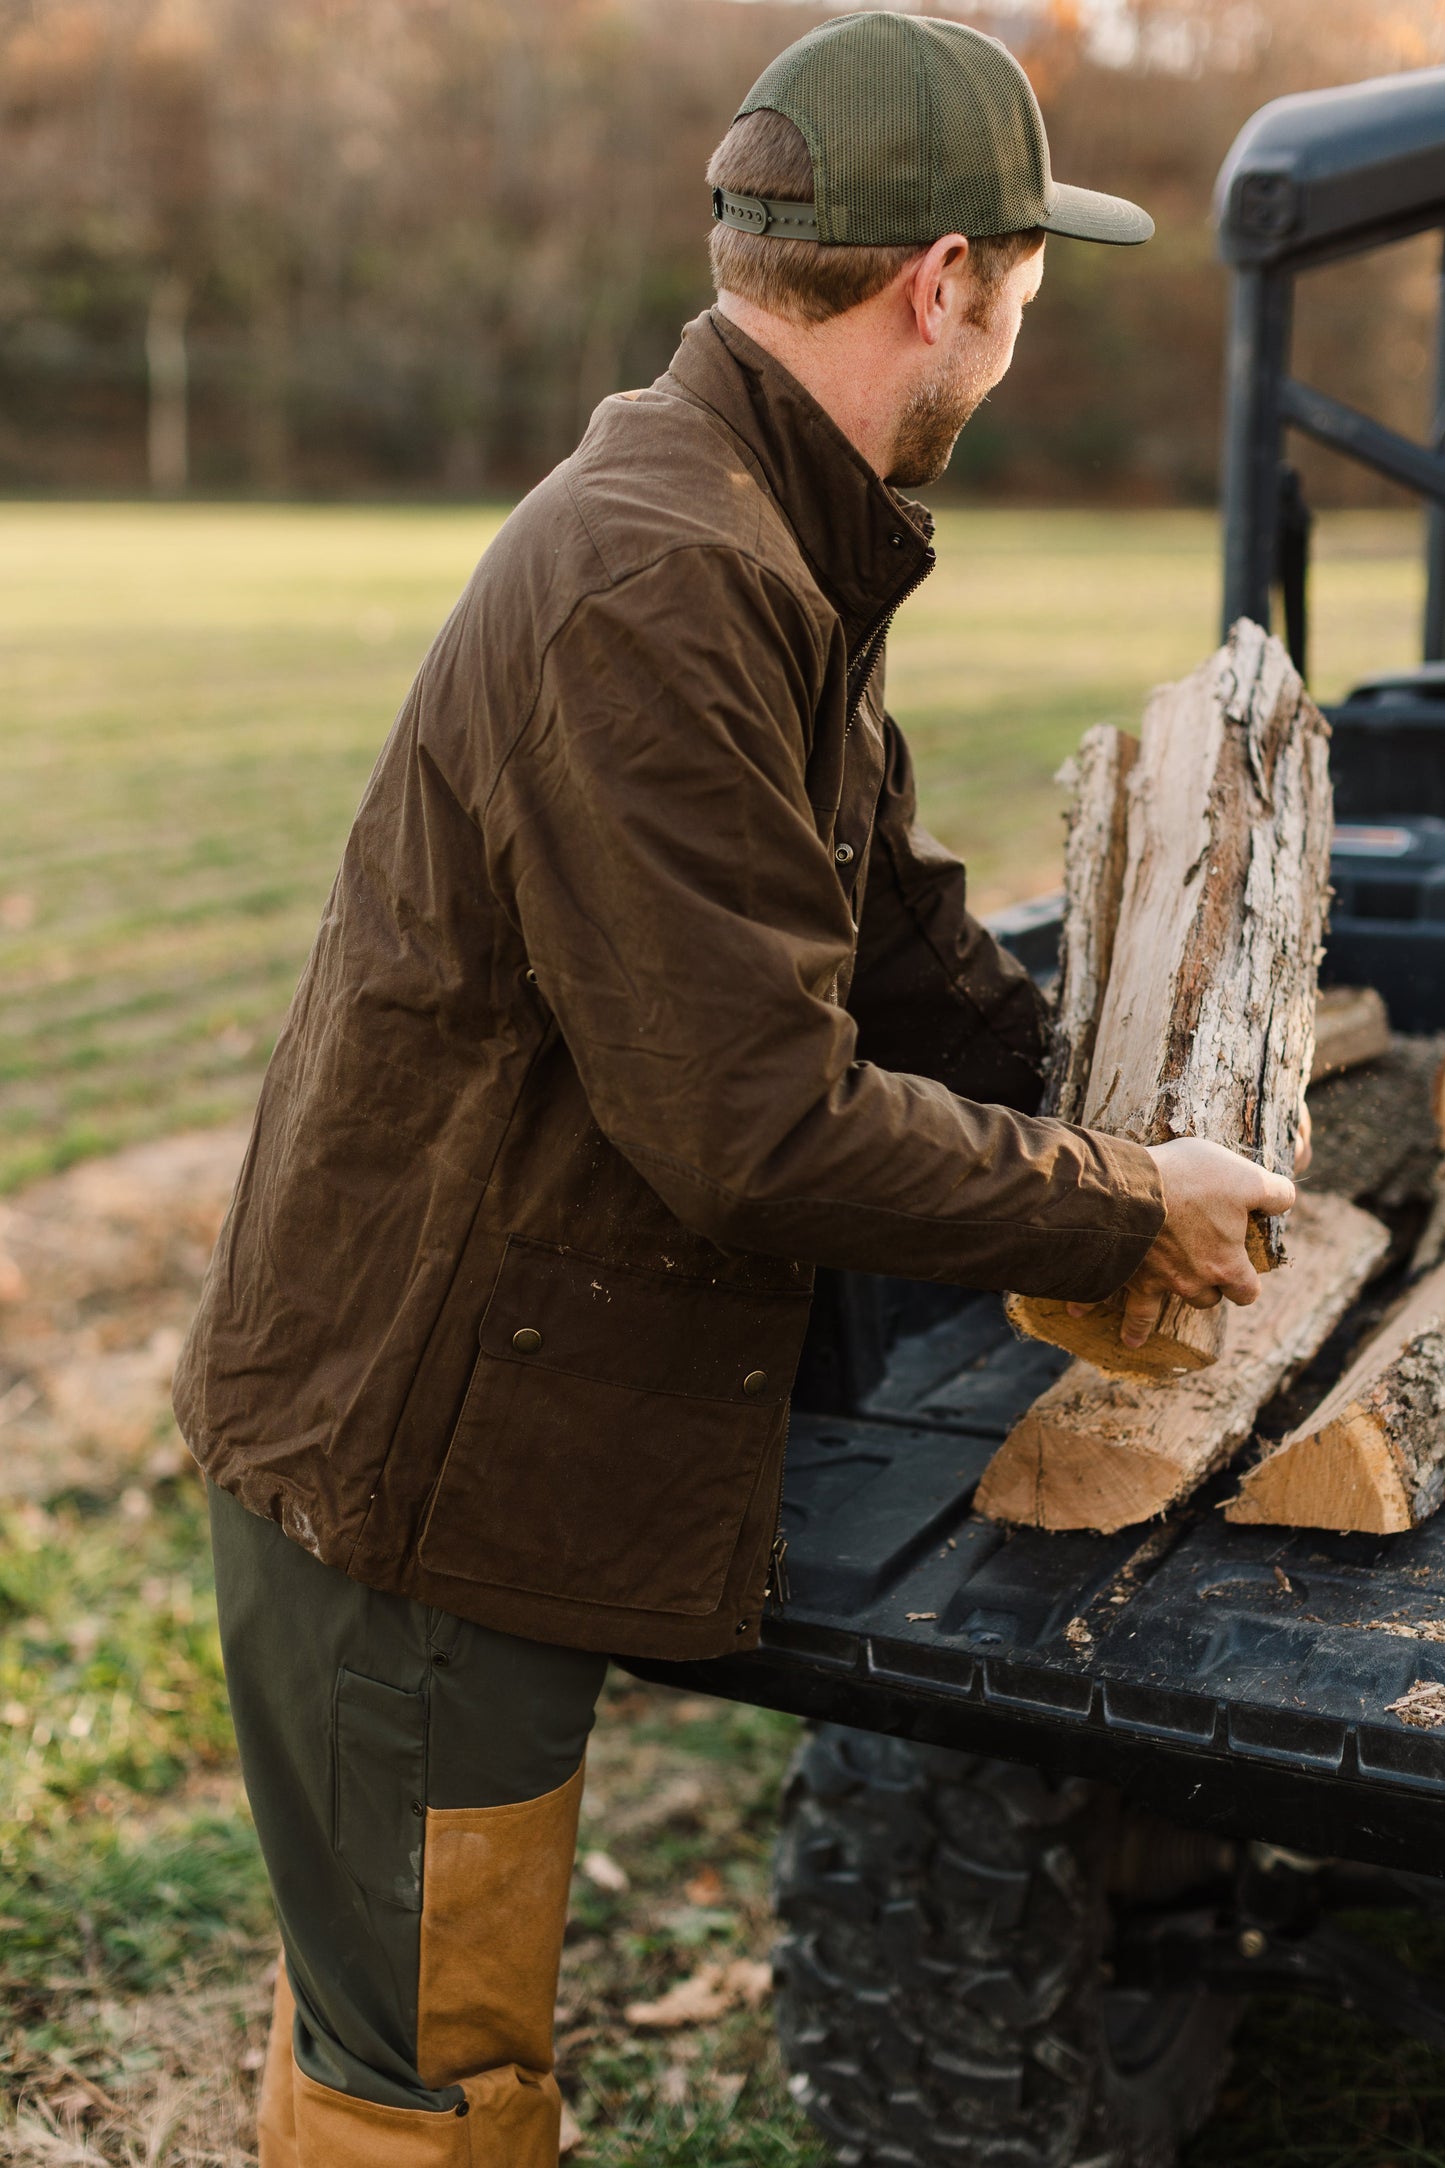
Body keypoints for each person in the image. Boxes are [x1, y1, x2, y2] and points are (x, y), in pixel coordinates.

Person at [174, 14, 1296, 2163]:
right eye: (1030, 284)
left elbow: (893, 934)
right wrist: (1121, 1201)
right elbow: (753, 1120)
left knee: (411, 2033)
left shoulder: (775, 530)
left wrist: (1101, 1089)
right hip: (420, 1465)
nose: (1026, 327)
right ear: (941, 281)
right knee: (432, 2084)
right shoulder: (665, 572)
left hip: (491, 1423)